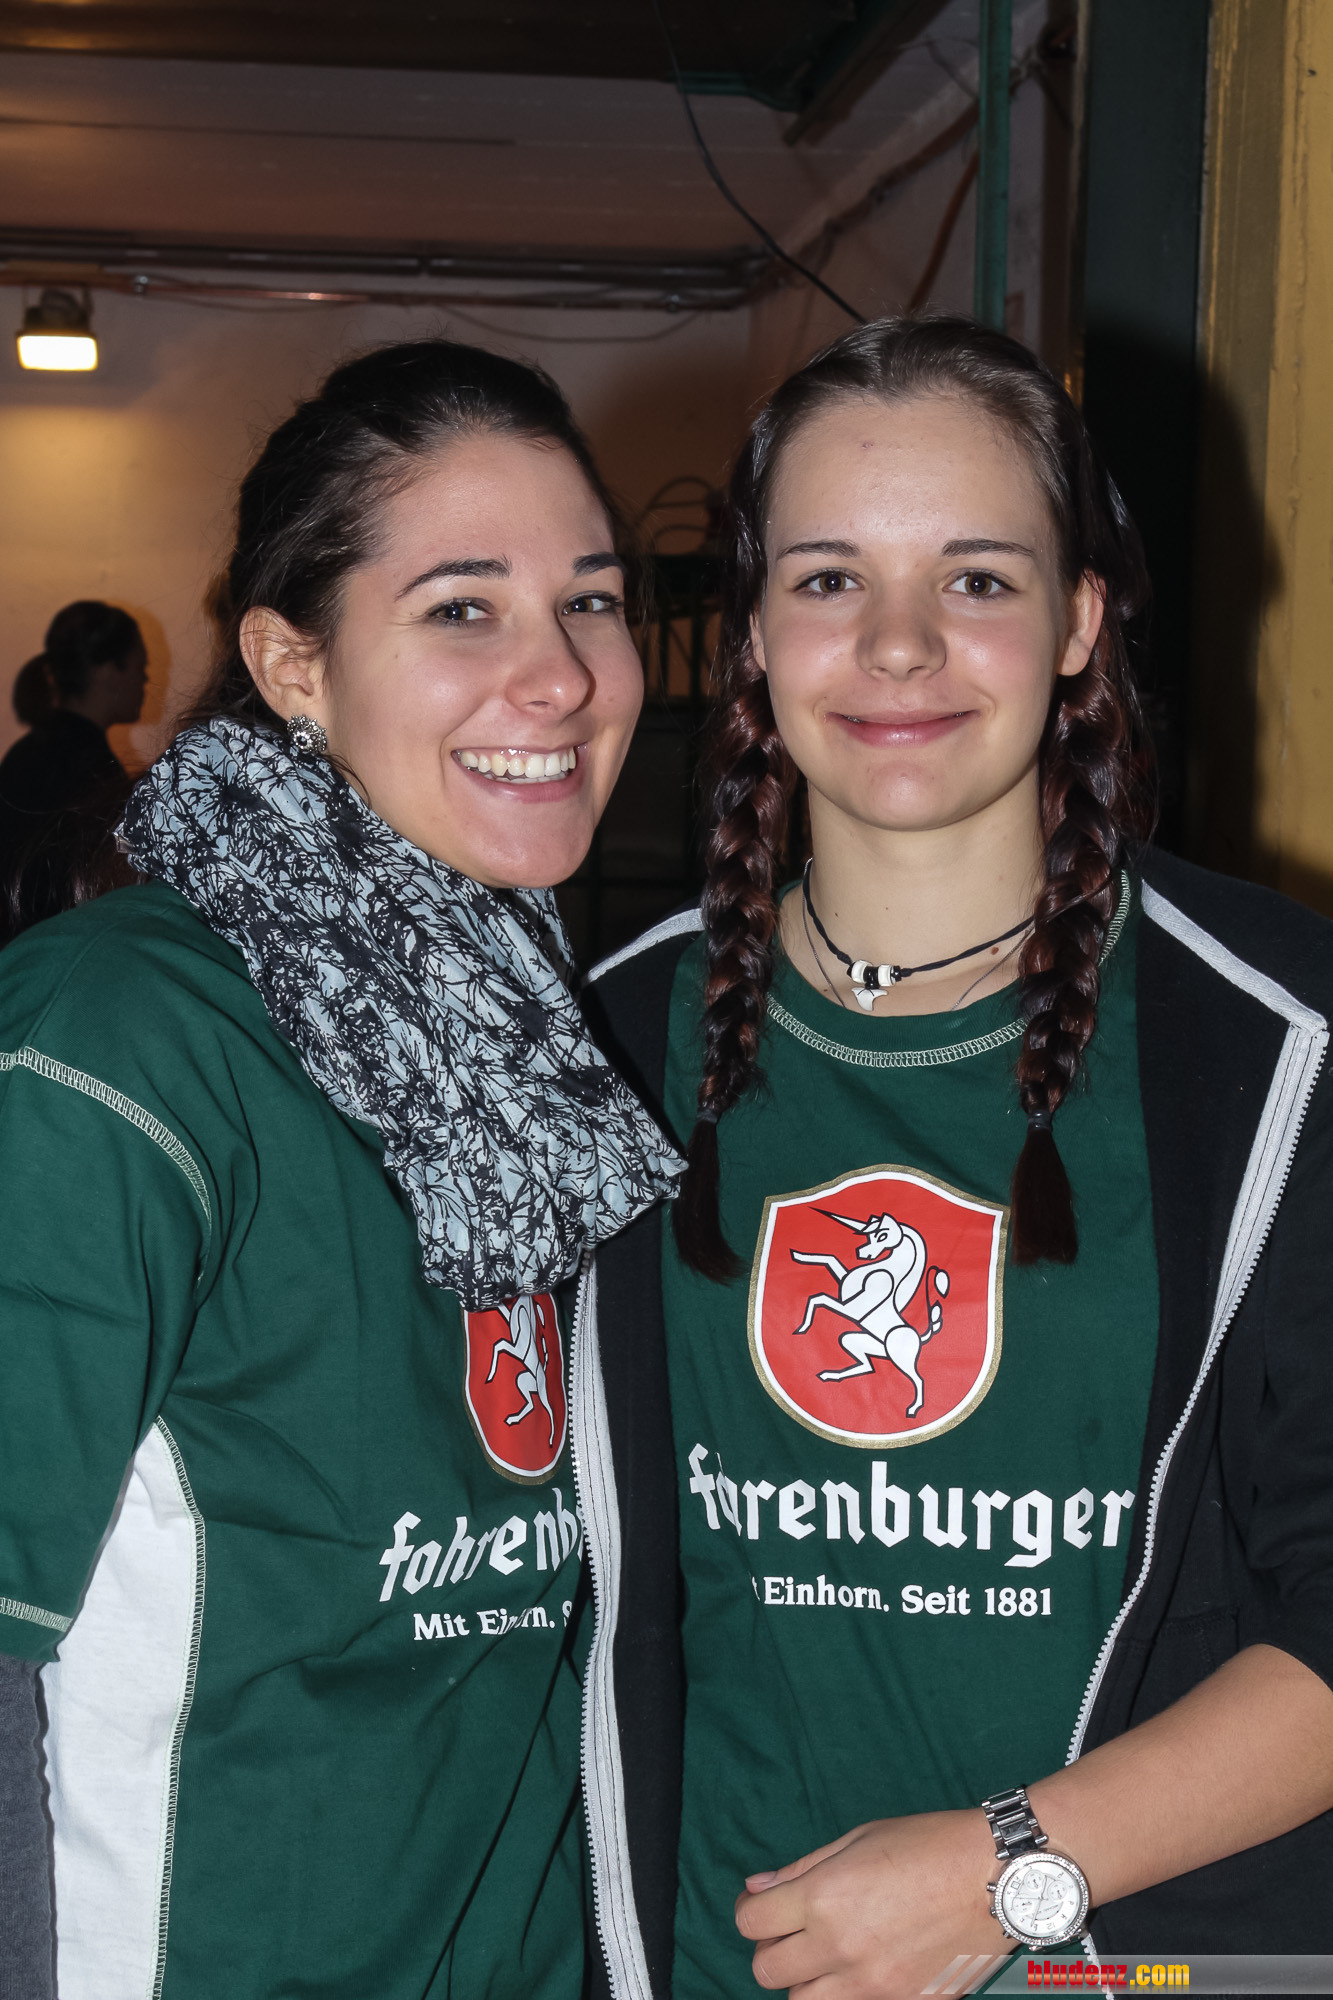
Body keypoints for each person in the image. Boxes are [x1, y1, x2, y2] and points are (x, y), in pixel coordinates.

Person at [583, 316, 1333, 1997]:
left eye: (976, 579)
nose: (898, 645)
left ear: (1077, 624)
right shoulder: (601, 1048)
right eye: (828, 580)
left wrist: (1004, 1871)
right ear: (754, 633)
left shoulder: (1279, 1045)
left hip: (1131, 1973)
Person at [0, 340, 682, 2000]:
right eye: (462, 608)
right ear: (291, 663)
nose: (559, 675)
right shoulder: (115, 1045)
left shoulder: (547, 1046)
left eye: (590, 602)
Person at [0, 601, 147, 939]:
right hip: (50, 944)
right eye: (140, 667)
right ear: (109, 672)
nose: (146, 679)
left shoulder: (27, 751)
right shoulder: (90, 764)